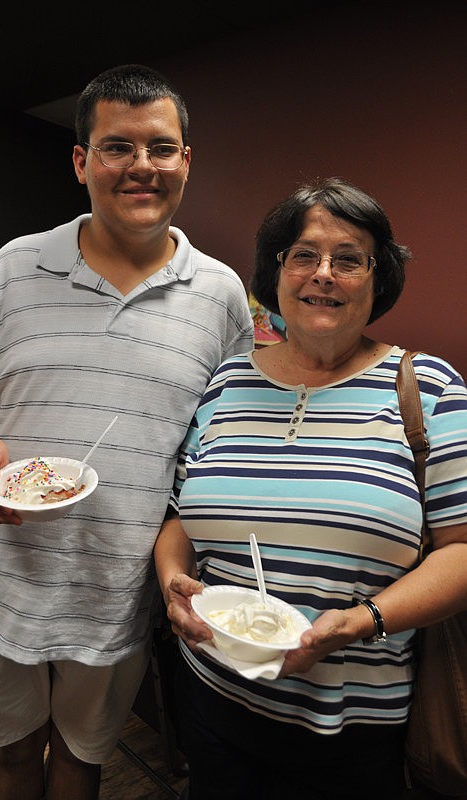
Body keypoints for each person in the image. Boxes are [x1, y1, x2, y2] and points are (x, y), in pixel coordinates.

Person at [0, 64, 253, 800]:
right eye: (117, 147)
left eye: (160, 148)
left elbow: (222, 434)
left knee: (83, 759)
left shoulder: (220, 293)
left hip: (114, 584)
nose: (141, 167)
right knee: (13, 756)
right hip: (0, 575)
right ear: (81, 161)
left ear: (184, 161)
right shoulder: (14, 267)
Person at [154, 177, 467, 800]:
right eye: (303, 255)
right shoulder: (224, 384)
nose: (323, 274)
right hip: (213, 696)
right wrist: (172, 582)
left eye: (348, 259)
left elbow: (461, 550)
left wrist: (357, 622)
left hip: (354, 726)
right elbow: (178, 518)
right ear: (277, 274)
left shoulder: (430, 389)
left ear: (379, 280)